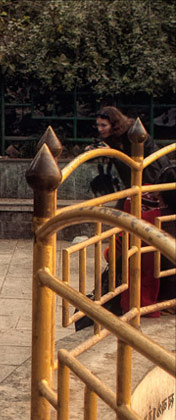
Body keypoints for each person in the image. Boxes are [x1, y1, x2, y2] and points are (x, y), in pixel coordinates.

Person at [93, 106, 176, 316]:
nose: (100, 128)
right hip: (138, 189)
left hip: (151, 186)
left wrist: (153, 192)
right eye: (98, 125)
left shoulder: (132, 136)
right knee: (125, 231)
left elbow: (144, 165)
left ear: (114, 123)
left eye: (104, 125)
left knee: (138, 237)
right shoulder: (116, 139)